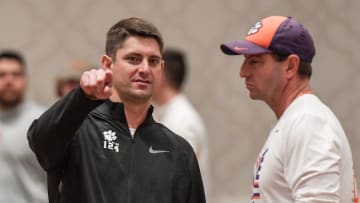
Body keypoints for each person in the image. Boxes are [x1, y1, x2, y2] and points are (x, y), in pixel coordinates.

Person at [28, 17, 205, 203]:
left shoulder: (180, 152)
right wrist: (82, 97)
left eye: (153, 61)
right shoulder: (77, 131)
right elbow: (40, 142)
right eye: (133, 59)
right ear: (107, 64)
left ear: (161, 69)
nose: (144, 69)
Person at [220, 16, 358, 202]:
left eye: (255, 62)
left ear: (291, 66)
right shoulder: (296, 119)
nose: (243, 72)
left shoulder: (308, 122)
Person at [152, 48, 211, 198]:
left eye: (152, 65)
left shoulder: (180, 121)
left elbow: (178, 184)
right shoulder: (170, 114)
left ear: (162, 74)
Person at [0, 50, 47, 203]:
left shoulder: (43, 120)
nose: (9, 81)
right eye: (2, 75)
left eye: (16, 74)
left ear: (25, 79)